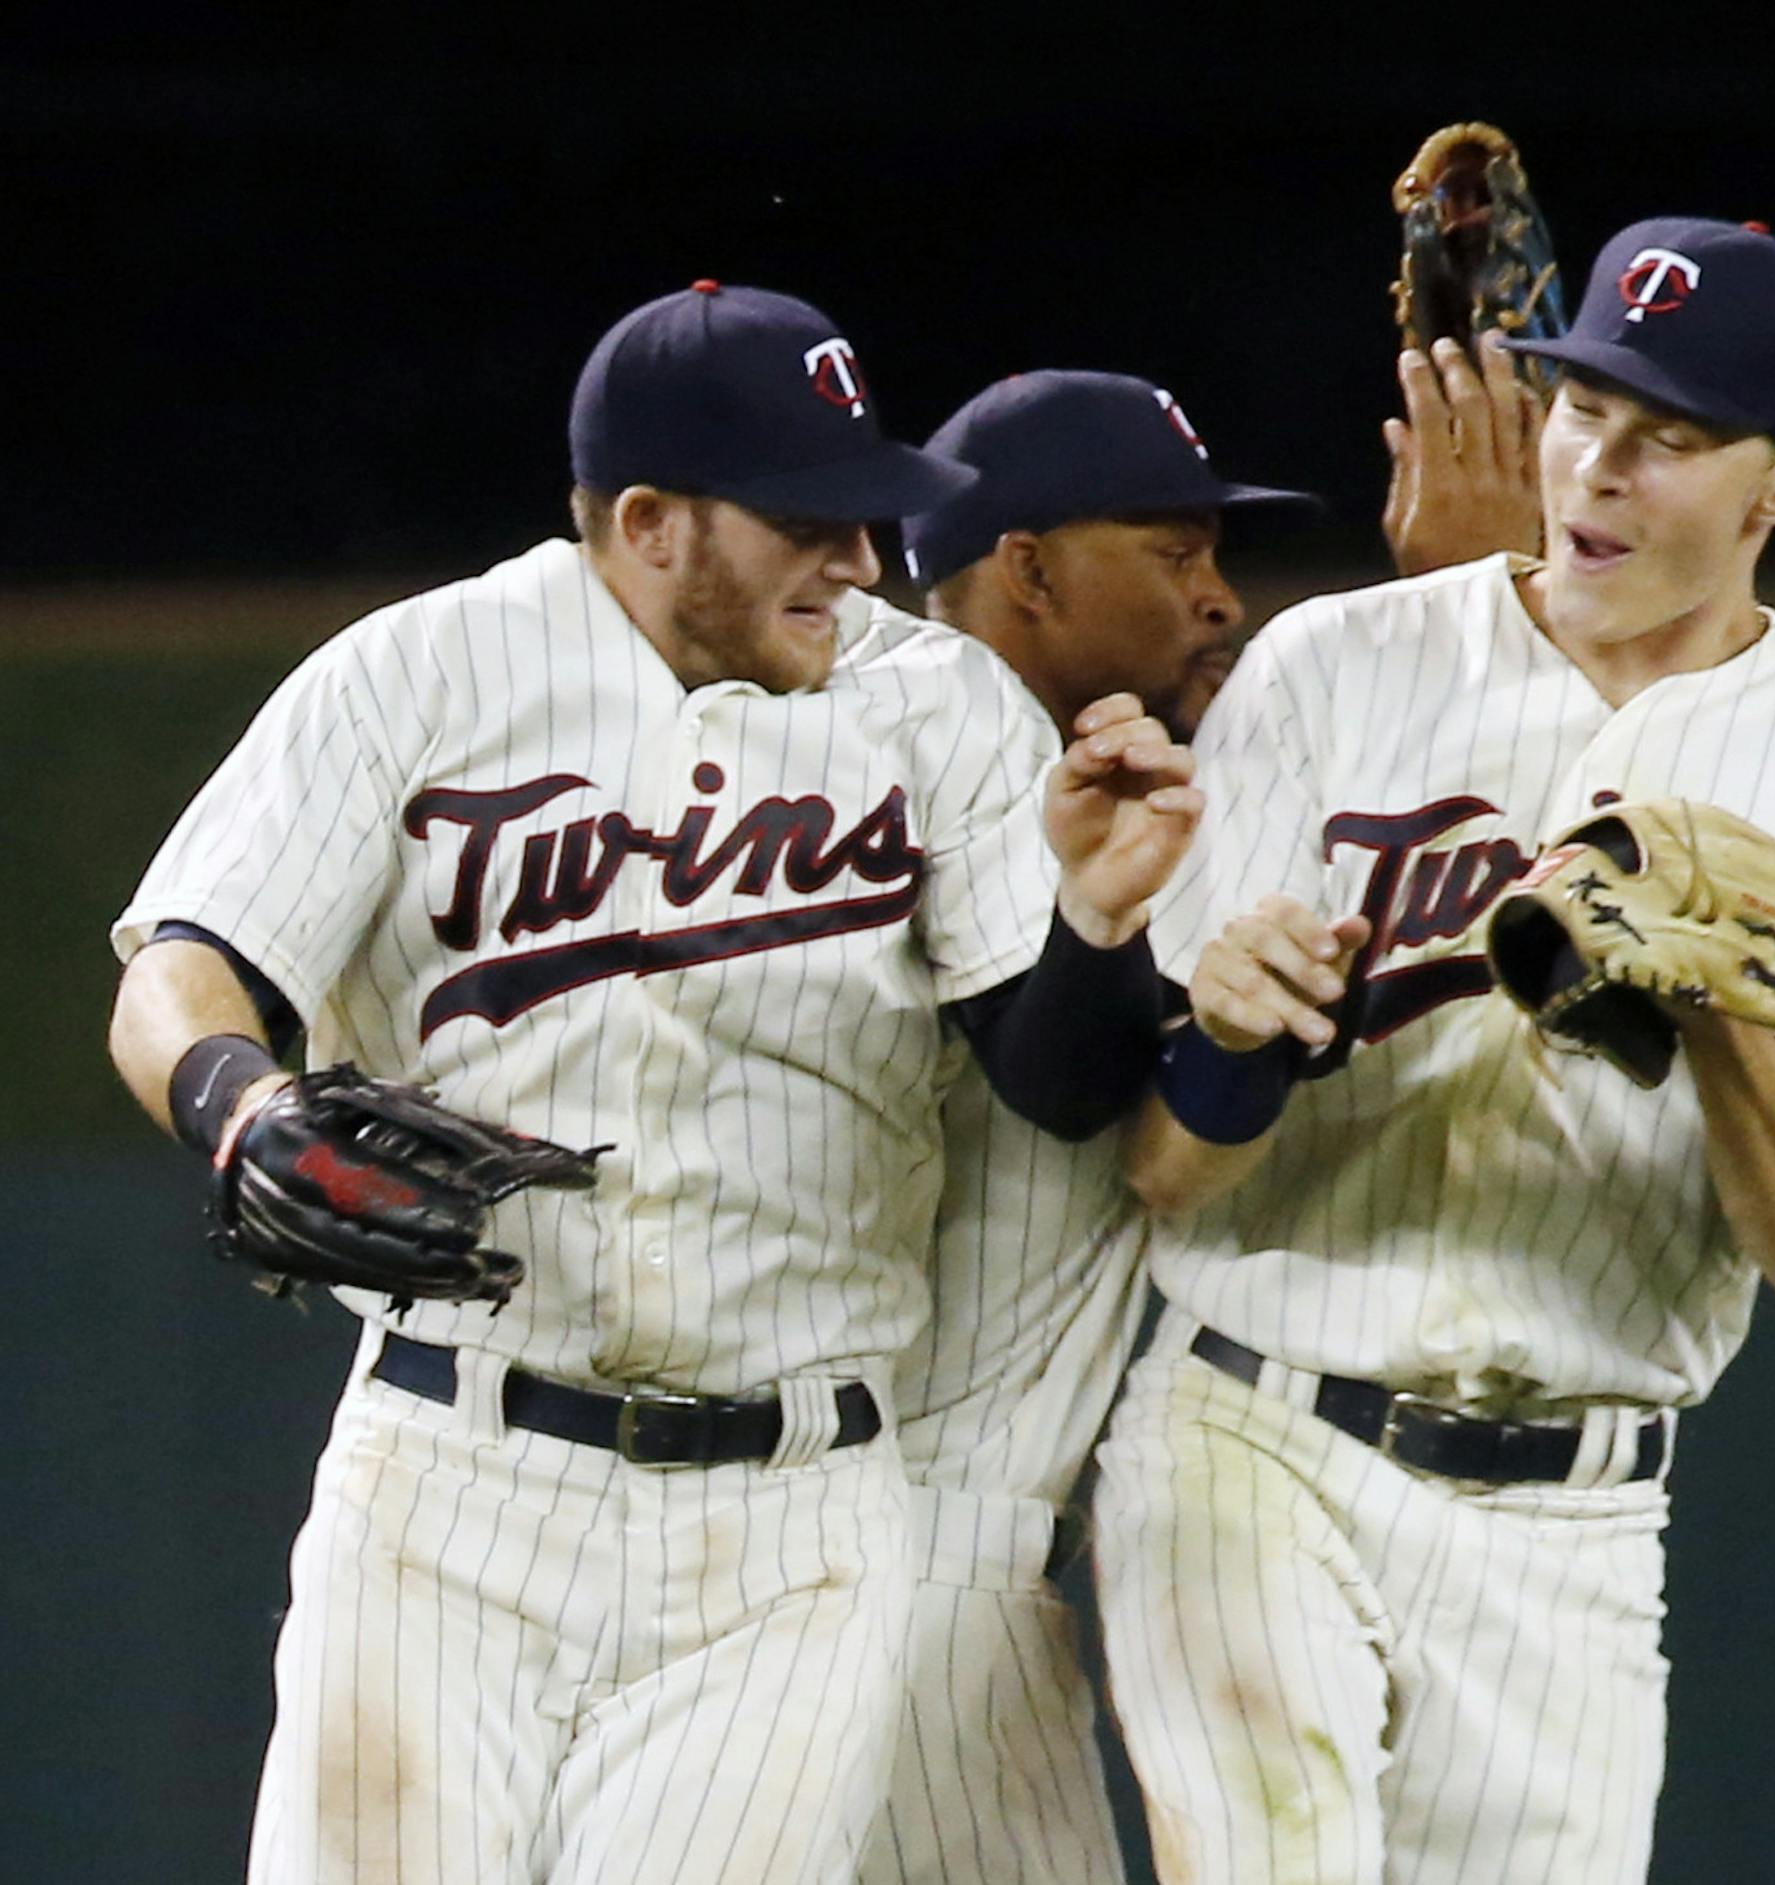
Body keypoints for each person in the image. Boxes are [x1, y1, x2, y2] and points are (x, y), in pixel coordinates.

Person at [105, 281, 1200, 1885]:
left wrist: (1101, 922)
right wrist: (238, 1103)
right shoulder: (417, 675)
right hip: (450, 1482)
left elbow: (1058, 1083)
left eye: (865, 509)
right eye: (807, 517)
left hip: (796, 1518)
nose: (858, 556)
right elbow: (180, 967)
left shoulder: (934, 706)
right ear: (650, 521)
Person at [1092, 218, 1775, 1884]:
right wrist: (1231, 1034)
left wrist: (1724, 1012)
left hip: (1574, 1526)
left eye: (1669, 439)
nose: (1599, 464)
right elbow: (1159, 1170)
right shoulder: (1337, 663)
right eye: (1586, 405)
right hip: (1250, 1442)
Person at [858, 368, 1317, 1885]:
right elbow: (1072, 1084)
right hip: (906, 1542)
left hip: (840, 1535)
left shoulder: (1086, 780)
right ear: (1028, 567)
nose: (1219, 598)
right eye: (1174, 553)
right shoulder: (938, 757)